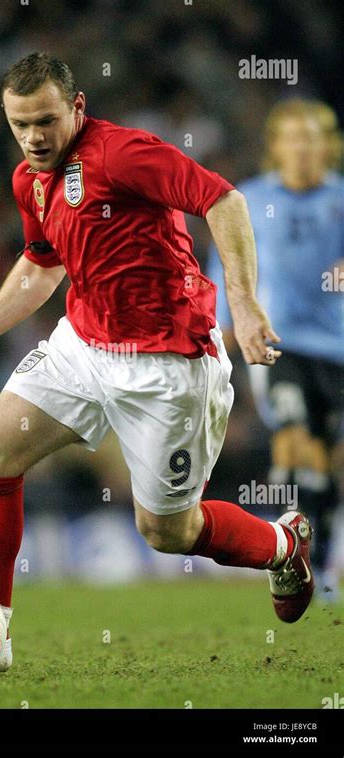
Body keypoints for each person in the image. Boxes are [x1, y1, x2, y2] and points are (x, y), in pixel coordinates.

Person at [0, 54, 314, 677]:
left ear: (78, 107)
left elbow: (224, 200)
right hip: (84, 345)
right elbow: (41, 264)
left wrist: (245, 305)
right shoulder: (29, 179)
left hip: (168, 366)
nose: (34, 138)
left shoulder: (124, 155)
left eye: (46, 121)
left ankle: (283, 545)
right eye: (20, 125)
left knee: (166, 531)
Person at [208, 99, 343, 602]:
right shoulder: (251, 201)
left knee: (326, 461)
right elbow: (227, 266)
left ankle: (320, 563)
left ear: (328, 145)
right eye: (293, 137)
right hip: (276, 341)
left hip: (337, 347)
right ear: (276, 146)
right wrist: (221, 328)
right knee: (293, 438)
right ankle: (287, 556)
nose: (303, 148)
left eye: (312, 138)